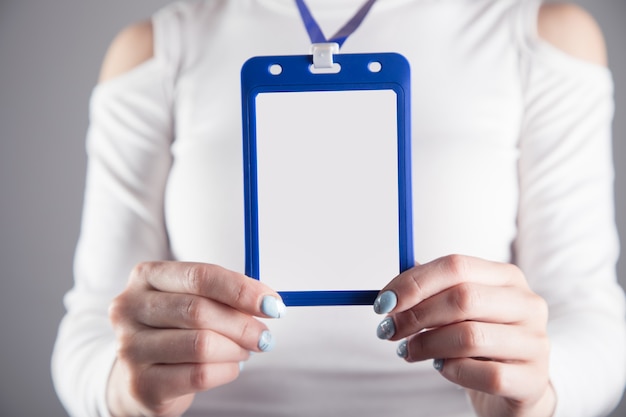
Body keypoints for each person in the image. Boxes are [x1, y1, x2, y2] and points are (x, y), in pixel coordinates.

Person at [51, 0, 626, 416]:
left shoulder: (539, 32)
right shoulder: (157, 48)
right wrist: (124, 394)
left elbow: (588, 309)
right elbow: (90, 327)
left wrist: (543, 393)